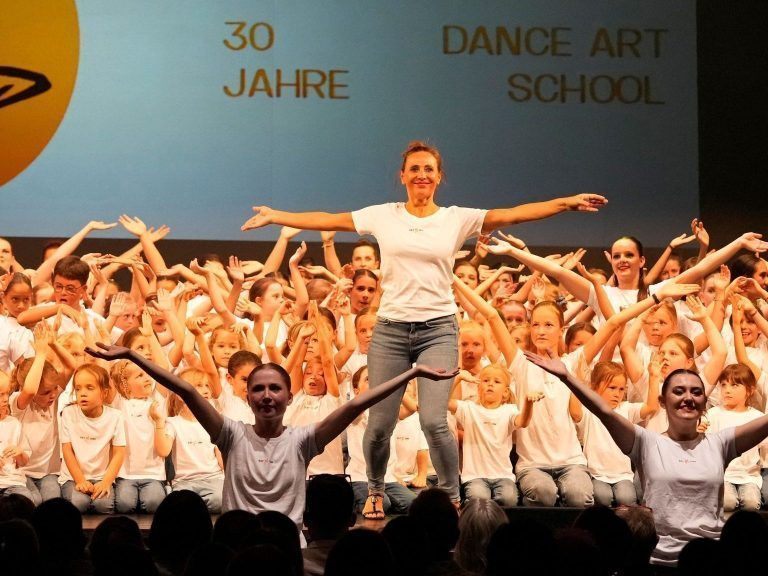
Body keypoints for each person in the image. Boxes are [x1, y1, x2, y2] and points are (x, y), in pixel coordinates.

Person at [241, 140, 607, 512]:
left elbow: (512, 214)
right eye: (414, 169)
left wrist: (565, 203)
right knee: (379, 425)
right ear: (402, 176)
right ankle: (376, 492)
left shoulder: (455, 218)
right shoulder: (384, 215)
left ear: (438, 177)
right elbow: (328, 219)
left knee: (434, 422)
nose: (421, 175)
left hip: (438, 330)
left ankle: (450, 497)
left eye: (428, 169)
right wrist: (277, 215)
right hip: (391, 330)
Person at [85, 341, 456, 540]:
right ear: (247, 397)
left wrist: (412, 373)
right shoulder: (231, 434)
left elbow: (357, 403)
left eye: (275, 388)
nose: (266, 395)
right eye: (258, 389)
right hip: (236, 546)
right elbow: (186, 390)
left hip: (287, 548)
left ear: (288, 398)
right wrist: (132, 355)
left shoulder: (303, 440)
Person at [524, 351, 768, 568]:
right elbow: (604, 411)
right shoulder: (647, 442)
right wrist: (567, 377)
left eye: (696, 392)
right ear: (662, 401)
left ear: (704, 402)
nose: (688, 397)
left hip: (707, 561)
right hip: (658, 560)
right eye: (678, 391)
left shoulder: (720, 443)